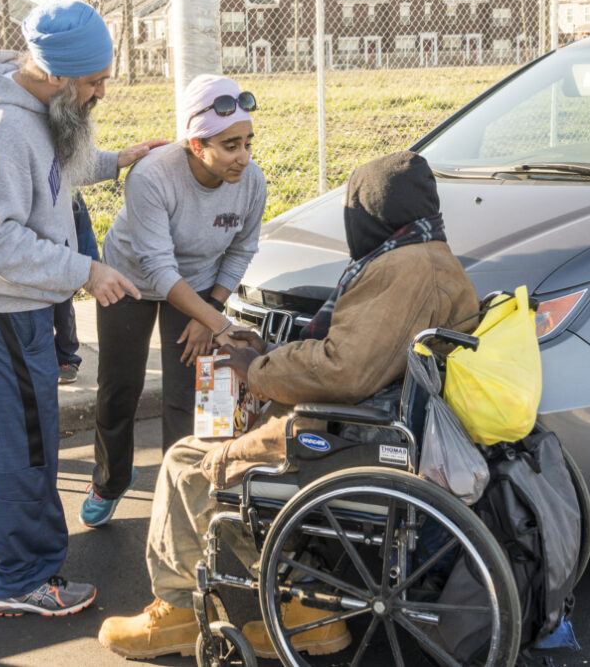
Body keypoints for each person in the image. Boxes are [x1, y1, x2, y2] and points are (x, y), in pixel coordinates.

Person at [97, 150, 480, 659]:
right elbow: (359, 353)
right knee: (224, 448)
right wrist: (272, 354)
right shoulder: (436, 257)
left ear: (371, 212)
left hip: (348, 436)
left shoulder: (399, 269)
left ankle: (177, 610)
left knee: (188, 462)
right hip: (377, 426)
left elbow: (344, 370)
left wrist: (258, 371)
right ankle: (306, 607)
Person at [0, 1, 162, 617]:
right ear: (60, 76)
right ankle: (22, 579)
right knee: (30, 443)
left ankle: (12, 530)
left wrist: (116, 160)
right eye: (95, 82)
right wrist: (86, 271)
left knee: (19, 433)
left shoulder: (33, 107)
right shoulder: (2, 130)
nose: (101, 93)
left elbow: (52, 168)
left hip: (13, 302)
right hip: (6, 305)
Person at [82, 73, 267, 529]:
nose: (242, 157)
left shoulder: (251, 180)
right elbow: (160, 269)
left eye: (247, 142)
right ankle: (110, 480)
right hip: (131, 278)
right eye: (229, 146)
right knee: (118, 387)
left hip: (200, 284)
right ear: (195, 143)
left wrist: (211, 313)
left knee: (187, 396)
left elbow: (242, 249)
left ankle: (181, 491)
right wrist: (218, 323)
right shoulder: (152, 176)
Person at [54, 191, 99, 385]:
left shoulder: (71, 192)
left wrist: (90, 267)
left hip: (64, 264)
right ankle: (45, 358)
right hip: (35, 265)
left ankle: (67, 358)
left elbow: (84, 231)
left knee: (64, 314)